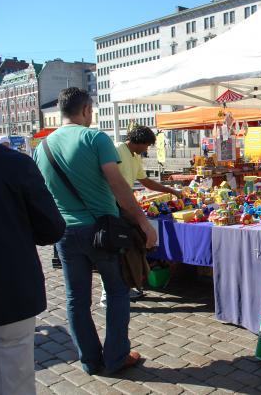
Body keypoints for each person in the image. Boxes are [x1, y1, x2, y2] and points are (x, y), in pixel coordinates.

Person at [34, 87, 157, 375]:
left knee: (76, 299)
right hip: (102, 231)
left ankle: (89, 360)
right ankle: (116, 358)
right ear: (87, 109)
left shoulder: (43, 147)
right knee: (116, 292)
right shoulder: (94, 137)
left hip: (65, 233)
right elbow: (118, 185)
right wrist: (143, 222)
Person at [0, 77, 66, 394]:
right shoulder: (12, 165)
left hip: (7, 297)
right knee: (12, 386)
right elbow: (51, 229)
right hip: (6, 295)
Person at [99, 125, 181, 306]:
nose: (147, 149)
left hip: (124, 207)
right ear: (139, 142)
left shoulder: (134, 157)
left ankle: (124, 286)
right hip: (113, 207)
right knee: (113, 248)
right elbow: (110, 180)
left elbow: (145, 181)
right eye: (147, 145)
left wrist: (169, 190)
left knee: (125, 248)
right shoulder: (117, 150)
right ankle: (107, 294)